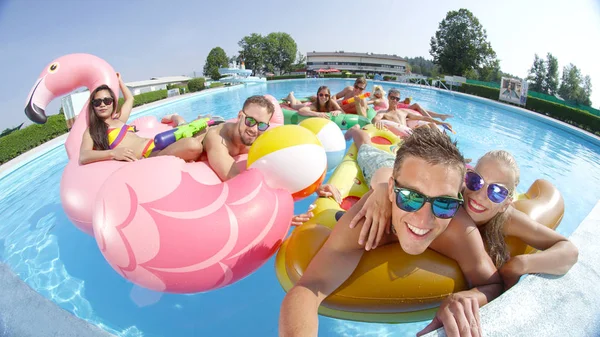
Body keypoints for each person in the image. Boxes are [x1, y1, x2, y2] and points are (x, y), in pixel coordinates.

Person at [279, 127, 503, 337]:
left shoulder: (459, 231)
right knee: (366, 151)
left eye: (444, 203)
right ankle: (357, 133)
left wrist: (468, 297)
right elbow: (308, 289)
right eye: (410, 197)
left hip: (392, 180)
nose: (424, 219)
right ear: (392, 190)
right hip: (380, 171)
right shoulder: (365, 223)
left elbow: (493, 284)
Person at [352, 148, 579, 291]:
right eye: (476, 181)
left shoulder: (508, 219)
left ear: (507, 202)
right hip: (384, 165)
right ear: (466, 179)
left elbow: (568, 250)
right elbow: (386, 172)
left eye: (496, 192)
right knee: (368, 154)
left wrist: (521, 265)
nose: (479, 195)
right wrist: (382, 189)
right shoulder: (447, 194)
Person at [79, 73, 206, 165]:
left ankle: (176, 118)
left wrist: (120, 81)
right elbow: (83, 156)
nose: (102, 104)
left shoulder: (119, 120)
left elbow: (130, 99)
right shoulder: (93, 130)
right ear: (93, 106)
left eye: (107, 100)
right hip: (149, 155)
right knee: (193, 145)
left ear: (113, 103)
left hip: (158, 143)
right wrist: (113, 153)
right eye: (97, 102)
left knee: (205, 130)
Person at [370, 88, 453, 133]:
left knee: (429, 125)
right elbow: (375, 119)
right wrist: (378, 122)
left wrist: (442, 123)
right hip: (400, 135)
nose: (395, 100)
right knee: (425, 127)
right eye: (392, 98)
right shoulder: (384, 112)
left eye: (397, 99)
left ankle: (448, 149)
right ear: (388, 97)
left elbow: (424, 118)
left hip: (408, 132)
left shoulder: (403, 111)